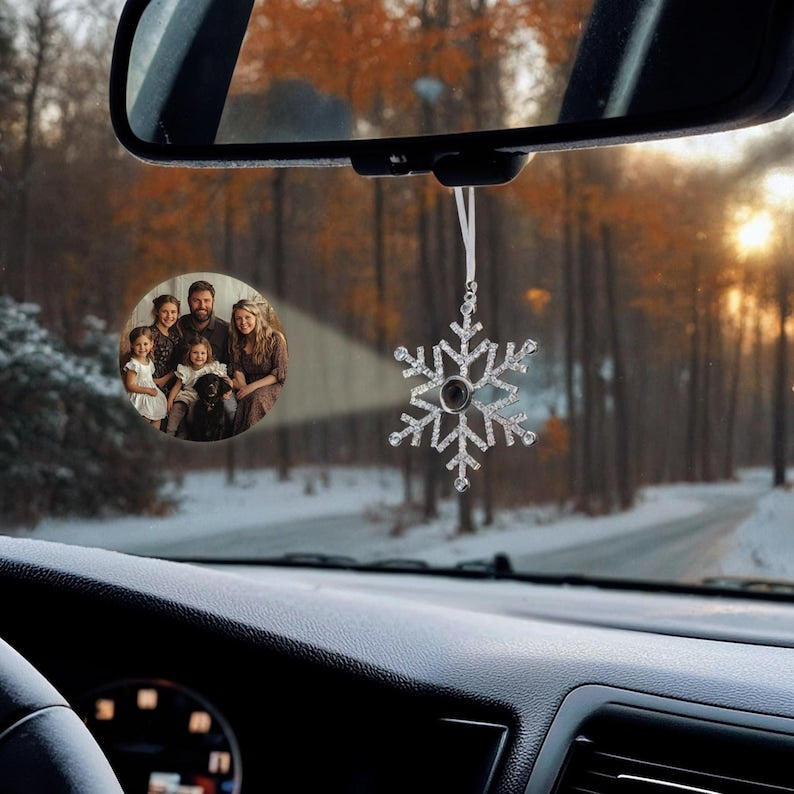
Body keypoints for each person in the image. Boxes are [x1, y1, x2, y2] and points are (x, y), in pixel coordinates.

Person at [177, 279, 236, 433]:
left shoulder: (225, 329)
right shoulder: (179, 326)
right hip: (188, 386)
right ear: (189, 301)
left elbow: (232, 362)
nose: (202, 305)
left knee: (230, 411)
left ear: (213, 301)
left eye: (206, 301)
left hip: (216, 386)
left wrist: (229, 383)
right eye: (196, 300)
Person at [228, 299, 288, 435]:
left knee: (257, 399)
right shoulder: (236, 342)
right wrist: (244, 388)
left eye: (247, 317)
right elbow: (238, 370)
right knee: (246, 399)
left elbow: (280, 372)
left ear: (257, 317)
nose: (243, 322)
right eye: (238, 318)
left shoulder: (274, 338)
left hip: (273, 384)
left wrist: (252, 387)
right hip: (247, 385)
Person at [165, 335, 233, 438]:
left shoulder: (212, 367)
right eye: (195, 352)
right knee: (176, 411)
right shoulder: (185, 369)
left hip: (201, 399)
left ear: (208, 353)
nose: (199, 356)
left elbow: (227, 380)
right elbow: (176, 387)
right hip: (187, 397)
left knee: (194, 413)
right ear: (189, 353)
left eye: (202, 353)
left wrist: (227, 392)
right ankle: (170, 432)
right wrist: (170, 400)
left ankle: (189, 434)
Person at [122, 326, 168, 427]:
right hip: (140, 396)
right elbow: (129, 385)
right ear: (132, 345)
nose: (142, 348)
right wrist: (148, 390)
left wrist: (154, 385)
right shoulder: (134, 364)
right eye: (138, 344)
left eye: (145, 344)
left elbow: (147, 379)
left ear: (151, 344)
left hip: (151, 395)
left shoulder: (148, 361)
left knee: (157, 417)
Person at [149, 294, 183, 396]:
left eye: (173, 312)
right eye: (164, 312)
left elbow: (179, 363)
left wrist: (164, 380)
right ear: (157, 312)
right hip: (151, 380)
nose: (169, 316)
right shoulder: (149, 334)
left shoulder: (175, 335)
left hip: (170, 381)